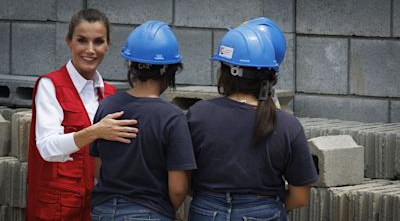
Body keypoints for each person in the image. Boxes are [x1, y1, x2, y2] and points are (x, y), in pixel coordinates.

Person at [187, 19, 318, 221]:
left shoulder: (198, 114)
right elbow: (300, 197)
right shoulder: (287, 126)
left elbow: (182, 179)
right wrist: (265, 209)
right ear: (271, 76)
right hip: (264, 211)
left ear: (224, 72)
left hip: (206, 210)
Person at [27, 8, 138, 221]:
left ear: (107, 45)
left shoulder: (110, 93)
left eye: (98, 41)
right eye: (82, 40)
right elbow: (48, 147)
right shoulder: (50, 85)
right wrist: (96, 131)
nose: (90, 49)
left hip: (96, 205)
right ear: (69, 41)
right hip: (55, 207)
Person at [89, 20, 197, 221]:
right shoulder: (172, 118)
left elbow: (99, 169)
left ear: (130, 65)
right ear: (170, 70)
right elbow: (178, 189)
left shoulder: (107, 106)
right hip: (150, 211)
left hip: (102, 211)